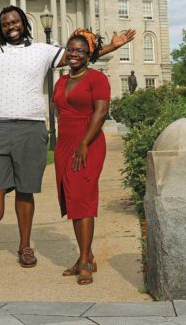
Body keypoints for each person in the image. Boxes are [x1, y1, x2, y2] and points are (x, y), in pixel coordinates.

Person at [0, 1, 134, 277]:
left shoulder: (43, 51)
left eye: (15, 21)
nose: (11, 26)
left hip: (30, 128)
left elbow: (80, 54)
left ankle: (25, 247)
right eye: (5, 23)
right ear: (1, 27)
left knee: (25, 190)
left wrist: (112, 47)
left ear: (25, 24)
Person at [53, 29, 110, 285]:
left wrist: (84, 143)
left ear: (89, 56)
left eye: (80, 51)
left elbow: (101, 113)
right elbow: (59, 112)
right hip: (65, 145)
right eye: (71, 49)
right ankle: (85, 256)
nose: (74, 54)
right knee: (72, 200)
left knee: (83, 199)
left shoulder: (97, 79)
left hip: (88, 143)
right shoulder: (61, 81)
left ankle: (85, 261)